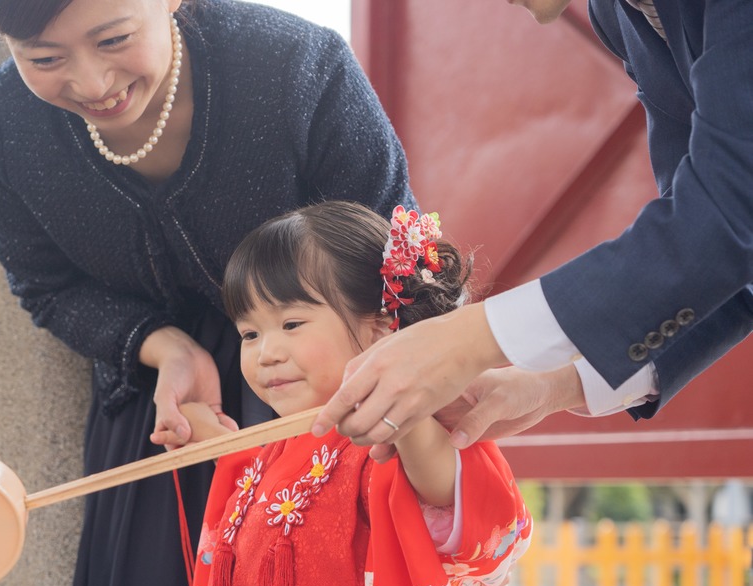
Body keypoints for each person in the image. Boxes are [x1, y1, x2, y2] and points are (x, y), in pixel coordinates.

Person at [0, 0, 420, 586]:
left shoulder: (293, 68)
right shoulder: (5, 128)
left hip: (326, 404)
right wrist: (157, 344)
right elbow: (45, 286)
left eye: (112, 39)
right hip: (166, 424)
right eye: (45, 58)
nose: (91, 81)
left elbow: (392, 258)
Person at [133, 201, 570, 586]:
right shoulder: (265, 450)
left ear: (383, 327)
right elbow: (240, 467)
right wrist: (204, 432)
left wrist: (408, 410)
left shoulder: (402, 439)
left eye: (291, 324)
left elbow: (454, 497)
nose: (267, 353)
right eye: (249, 334)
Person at [311, 0, 753, 453]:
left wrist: (473, 338)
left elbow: (729, 209)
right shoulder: (617, 13)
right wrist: (552, 385)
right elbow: (724, 261)